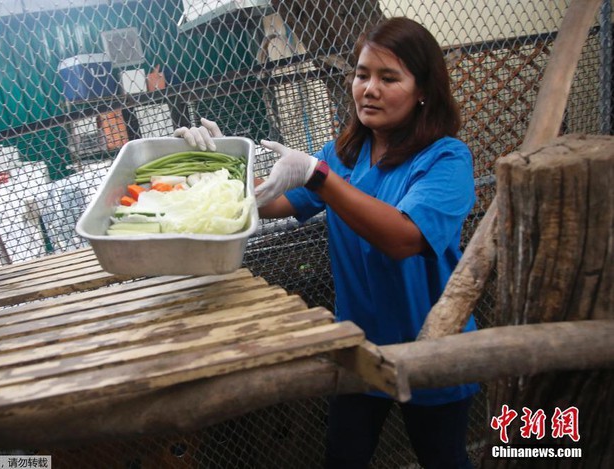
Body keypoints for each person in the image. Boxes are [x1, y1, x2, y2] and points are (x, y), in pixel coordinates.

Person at [174, 16, 479, 469]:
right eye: (361, 74)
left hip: (432, 342)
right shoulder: (345, 153)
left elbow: (402, 237)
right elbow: (272, 201)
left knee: (443, 458)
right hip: (357, 342)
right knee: (343, 456)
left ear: (422, 90)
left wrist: (319, 178)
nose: (368, 88)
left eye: (388, 77)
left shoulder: (446, 159)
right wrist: (221, 167)